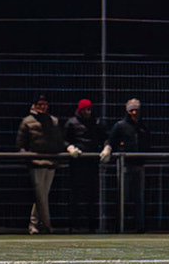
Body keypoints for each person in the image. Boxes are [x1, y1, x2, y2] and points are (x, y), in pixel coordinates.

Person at [17, 96, 66, 233]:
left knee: (43, 195)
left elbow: (58, 140)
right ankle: (46, 225)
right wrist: (27, 157)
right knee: (40, 195)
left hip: (50, 161)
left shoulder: (53, 121)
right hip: (36, 162)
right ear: (34, 105)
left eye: (45, 104)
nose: (43, 107)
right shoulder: (27, 121)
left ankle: (35, 224)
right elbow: (21, 143)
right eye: (40, 104)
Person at [64, 99, 109, 232]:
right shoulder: (72, 123)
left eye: (89, 109)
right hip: (77, 163)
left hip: (92, 163)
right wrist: (70, 148)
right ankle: (75, 226)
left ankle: (92, 226)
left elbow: (105, 137)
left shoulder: (96, 122)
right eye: (85, 109)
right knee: (76, 196)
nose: (87, 112)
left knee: (92, 196)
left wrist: (107, 147)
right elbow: (64, 140)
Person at [108, 98, 149, 231]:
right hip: (124, 165)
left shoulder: (142, 127)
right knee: (122, 197)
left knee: (139, 198)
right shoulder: (120, 126)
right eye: (132, 110)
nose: (134, 113)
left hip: (139, 165)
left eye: (136, 110)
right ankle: (119, 226)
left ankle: (139, 226)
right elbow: (111, 141)